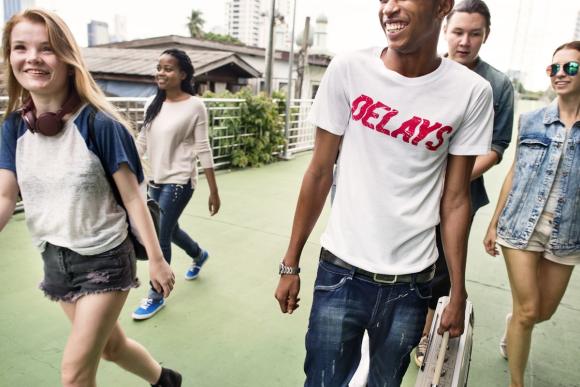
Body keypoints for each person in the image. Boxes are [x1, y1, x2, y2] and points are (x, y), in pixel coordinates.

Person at [274, 0, 495, 385]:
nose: (389, 8)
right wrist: (290, 263)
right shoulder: (349, 69)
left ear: (443, 5)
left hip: (411, 286)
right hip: (339, 272)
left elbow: (456, 198)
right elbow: (319, 171)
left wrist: (457, 290)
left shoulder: (472, 92)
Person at [0, 8, 181, 387]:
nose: (32, 57)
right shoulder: (13, 128)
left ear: (67, 61)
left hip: (105, 257)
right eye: (20, 47)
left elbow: (133, 199)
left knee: (74, 375)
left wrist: (158, 261)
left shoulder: (100, 124)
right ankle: (165, 380)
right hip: (55, 257)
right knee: (110, 347)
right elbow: (4, 196)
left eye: (46, 49)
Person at [413, 0, 515, 367]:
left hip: (461, 193)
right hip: (412, 189)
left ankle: (427, 336)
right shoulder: (423, 69)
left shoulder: (498, 85)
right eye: (458, 32)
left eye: (475, 33)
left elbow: (496, 148)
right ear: (444, 30)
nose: (465, 41)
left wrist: (451, 177)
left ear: (486, 36)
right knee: (406, 259)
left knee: (442, 266)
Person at [484, 41, 580, 387]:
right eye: (554, 68)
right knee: (527, 312)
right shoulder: (533, 120)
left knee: (542, 312)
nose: (559, 74)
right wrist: (495, 222)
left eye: (570, 68)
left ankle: (515, 325)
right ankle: (516, 382)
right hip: (522, 226)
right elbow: (515, 173)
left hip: (568, 233)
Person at [132, 48, 221, 320]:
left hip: (181, 180)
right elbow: (142, 143)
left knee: (160, 235)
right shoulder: (152, 104)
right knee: (171, 230)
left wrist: (214, 190)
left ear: (183, 74)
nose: (161, 73)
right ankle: (198, 254)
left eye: (168, 68)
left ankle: (156, 294)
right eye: (159, 67)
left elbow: (203, 148)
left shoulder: (195, 106)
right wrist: (122, 169)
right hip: (154, 179)